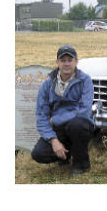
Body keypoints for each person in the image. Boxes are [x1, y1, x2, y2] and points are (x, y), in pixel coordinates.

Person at [31, 45, 94, 175]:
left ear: (76, 62)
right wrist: (53, 140)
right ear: (57, 62)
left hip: (79, 124)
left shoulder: (85, 80)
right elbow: (41, 116)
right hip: (58, 129)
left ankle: (81, 164)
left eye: (70, 60)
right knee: (38, 154)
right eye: (63, 60)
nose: (66, 64)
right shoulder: (47, 84)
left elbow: (85, 110)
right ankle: (66, 152)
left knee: (77, 125)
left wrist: (57, 119)